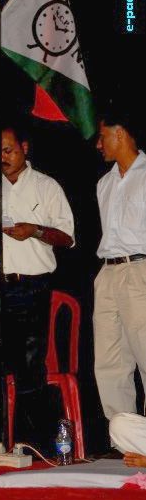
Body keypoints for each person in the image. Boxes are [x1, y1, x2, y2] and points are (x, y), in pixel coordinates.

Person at [1, 124, 74, 451]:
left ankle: (33, 444)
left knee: (30, 366)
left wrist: (36, 231)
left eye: (9, 150)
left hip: (32, 287)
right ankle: (1, 442)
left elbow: (67, 237)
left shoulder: (46, 186)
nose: (3, 157)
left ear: (25, 148)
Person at [94, 109, 146, 423]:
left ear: (120, 134)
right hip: (108, 273)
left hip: (140, 270)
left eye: (102, 137)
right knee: (109, 363)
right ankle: (124, 439)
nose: (98, 145)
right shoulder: (104, 183)